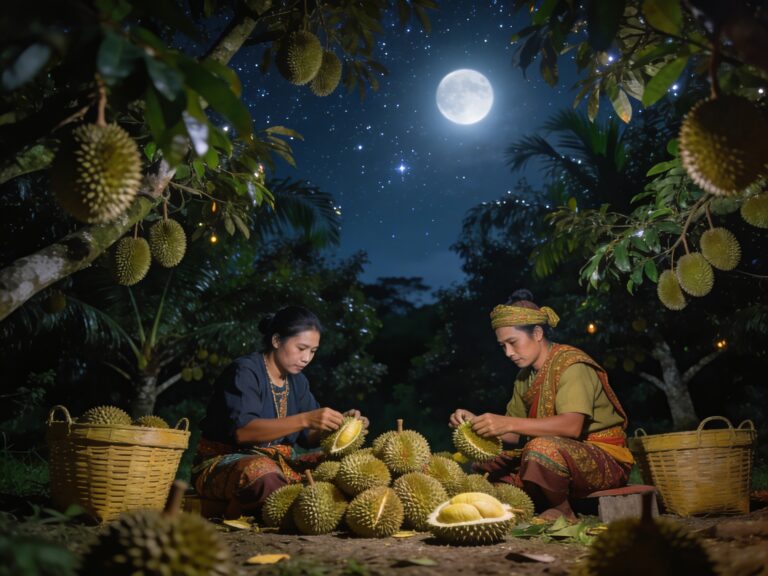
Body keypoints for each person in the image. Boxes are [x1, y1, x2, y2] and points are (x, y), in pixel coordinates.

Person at [449, 289, 634, 522]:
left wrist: (507, 422)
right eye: (502, 346)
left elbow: (572, 427)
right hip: (556, 453)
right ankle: (538, 496)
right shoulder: (523, 378)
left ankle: (562, 509)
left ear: (537, 333)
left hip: (603, 457)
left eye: (512, 342)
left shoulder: (572, 364)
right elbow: (514, 435)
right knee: (486, 464)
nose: (508, 353)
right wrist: (476, 422)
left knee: (539, 450)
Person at [192, 305, 367, 518]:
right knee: (264, 475)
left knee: (344, 466)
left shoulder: (298, 381)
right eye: (301, 348)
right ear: (276, 341)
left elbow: (309, 437)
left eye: (313, 351)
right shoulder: (245, 371)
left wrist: (339, 426)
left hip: (281, 463)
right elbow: (244, 432)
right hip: (225, 463)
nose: (307, 358)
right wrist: (306, 419)